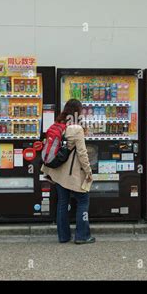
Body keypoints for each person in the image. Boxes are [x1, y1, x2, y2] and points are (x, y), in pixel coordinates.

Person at [41, 99, 95, 244]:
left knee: (62, 203)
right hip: (72, 175)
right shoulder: (77, 129)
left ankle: (63, 236)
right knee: (83, 201)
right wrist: (89, 172)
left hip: (58, 173)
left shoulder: (58, 124)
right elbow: (82, 154)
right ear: (78, 112)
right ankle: (82, 236)